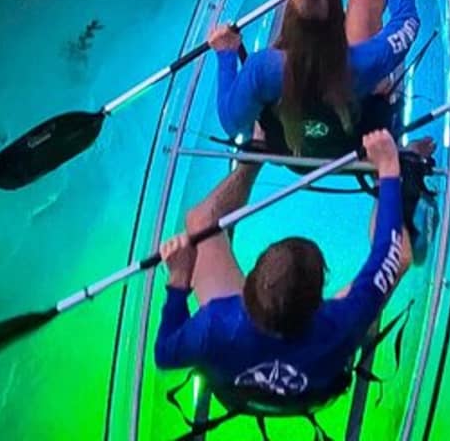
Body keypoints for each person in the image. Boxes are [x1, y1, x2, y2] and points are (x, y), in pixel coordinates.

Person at [154, 129, 412, 407]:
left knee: (200, 221)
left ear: (249, 284)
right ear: (320, 303)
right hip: (316, 389)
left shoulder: (215, 324)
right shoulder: (343, 320)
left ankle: (254, 155)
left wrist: (179, 279)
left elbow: (165, 354)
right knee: (398, 260)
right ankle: (378, 182)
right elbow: (390, 251)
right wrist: (388, 168)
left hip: (235, 390)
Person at [208, 0, 420, 157]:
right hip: (353, 145)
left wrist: (226, 53)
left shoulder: (263, 68)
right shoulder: (367, 61)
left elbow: (232, 125)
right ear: (339, 22)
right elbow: (407, 21)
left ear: (287, 24)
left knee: (316, 5)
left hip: (292, 151)